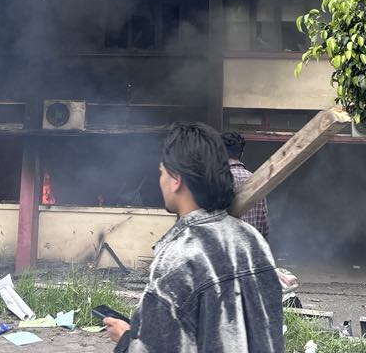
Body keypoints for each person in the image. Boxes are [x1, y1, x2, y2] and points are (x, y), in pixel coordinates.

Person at [104, 123, 284, 353]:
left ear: (176, 179)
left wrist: (125, 340)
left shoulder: (178, 258)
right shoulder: (254, 241)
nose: (160, 181)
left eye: (161, 172)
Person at [221, 131, 270, 239]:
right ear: (242, 153)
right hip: (252, 247)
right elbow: (264, 227)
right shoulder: (257, 181)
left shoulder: (217, 180)